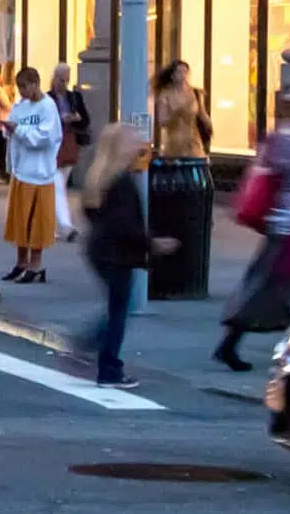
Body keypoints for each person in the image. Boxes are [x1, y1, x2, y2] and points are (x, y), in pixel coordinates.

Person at [214, 92, 290, 373]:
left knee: (268, 287)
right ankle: (233, 345)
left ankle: (231, 344)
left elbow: (265, 167)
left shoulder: (281, 139)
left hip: (279, 224)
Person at [78, 122, 167, 390]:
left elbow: (93, 214)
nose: (139, 146)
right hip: (116, 254)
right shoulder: (121, 183)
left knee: (117, 308)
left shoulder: (100, 178)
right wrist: (153, 244)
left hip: (100, 251)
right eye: (133, 141)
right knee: (119, 312)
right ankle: (108, 368)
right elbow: (125, 226)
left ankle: (89, 347)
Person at [3, 67, 62, 285]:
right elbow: (11, 125)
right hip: (21, 170)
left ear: (35, 84)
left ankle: (36, 264)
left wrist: (17, 130)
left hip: (40, 172)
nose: (21, 92)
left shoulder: (48, 107)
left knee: (36, 221)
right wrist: (8, 128)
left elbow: (43, 137)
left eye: (24, 87)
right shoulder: (21, 106)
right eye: (19, 87)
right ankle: (21, 262)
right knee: (20, 220)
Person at [149, 60, 213, 256]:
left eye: (186, 72)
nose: (183, 76)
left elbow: (202, 116)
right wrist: (176, 110)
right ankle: (177, 213)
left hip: (193, 142)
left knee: (198, 175)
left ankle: (201, 213)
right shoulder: (166, 94)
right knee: (176, 178)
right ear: (172, 74)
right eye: (179, 72)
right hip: (174, 142)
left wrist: (208, 126)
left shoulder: (194, 93)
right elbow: (163, 121)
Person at [51, 65, 90, 242]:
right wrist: (60, 118)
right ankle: (66, 227)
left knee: (58, 187)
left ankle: (51, 224)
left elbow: (85, 120)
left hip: (69, 143)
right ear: (54, 78)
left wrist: (76, 119)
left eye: (66, 79)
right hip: (52, 146)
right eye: (61, 79)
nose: (64, 83)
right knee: (58, 187)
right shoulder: (47, 98)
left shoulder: (74, 96)